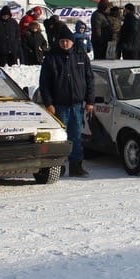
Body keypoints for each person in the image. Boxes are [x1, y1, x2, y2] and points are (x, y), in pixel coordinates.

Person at [36, 23, 95, 177]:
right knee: (59, 138)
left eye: (67, 41)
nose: (65, 44)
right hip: (59, 106)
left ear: (72, 41)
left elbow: (90, 80)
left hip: (76, 105)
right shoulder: (51, 58)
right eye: (62, 41)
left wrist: (90, 101)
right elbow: (44, 83)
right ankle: (58, 166)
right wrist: (48, 103)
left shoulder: (81, 56)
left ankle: (76, 166)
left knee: (76, 137)